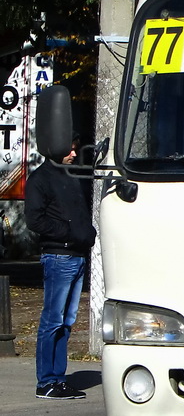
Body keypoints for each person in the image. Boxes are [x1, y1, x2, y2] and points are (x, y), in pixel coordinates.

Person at [25, 136, 95, 400]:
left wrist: (86, 233)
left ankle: (59, 377)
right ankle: (46, 381)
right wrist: (67, 234)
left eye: (76, 149)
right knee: (52, 321)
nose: (74, 155)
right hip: (58, 256)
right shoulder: (41, 179)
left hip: (77, 256)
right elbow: (34, 219)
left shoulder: (71, 177)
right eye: (70, 150)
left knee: (67, 322)